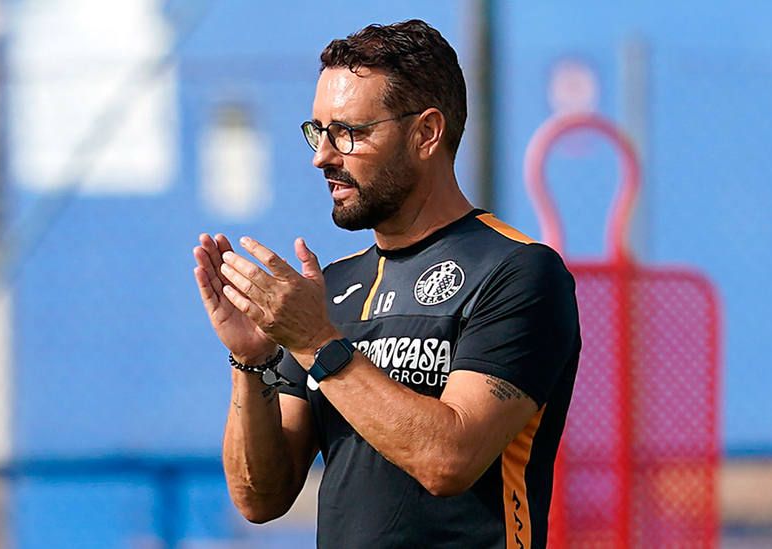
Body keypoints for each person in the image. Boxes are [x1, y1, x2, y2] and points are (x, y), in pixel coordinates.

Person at [192, 19, 580, 549]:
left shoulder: (518, 272)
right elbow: (260, 497)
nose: (322, 156)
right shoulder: (332, 288)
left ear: (426, 133)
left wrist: (316, 344)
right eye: (318, 131)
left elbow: (449, 460)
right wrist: (252, 363)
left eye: (349, 132)